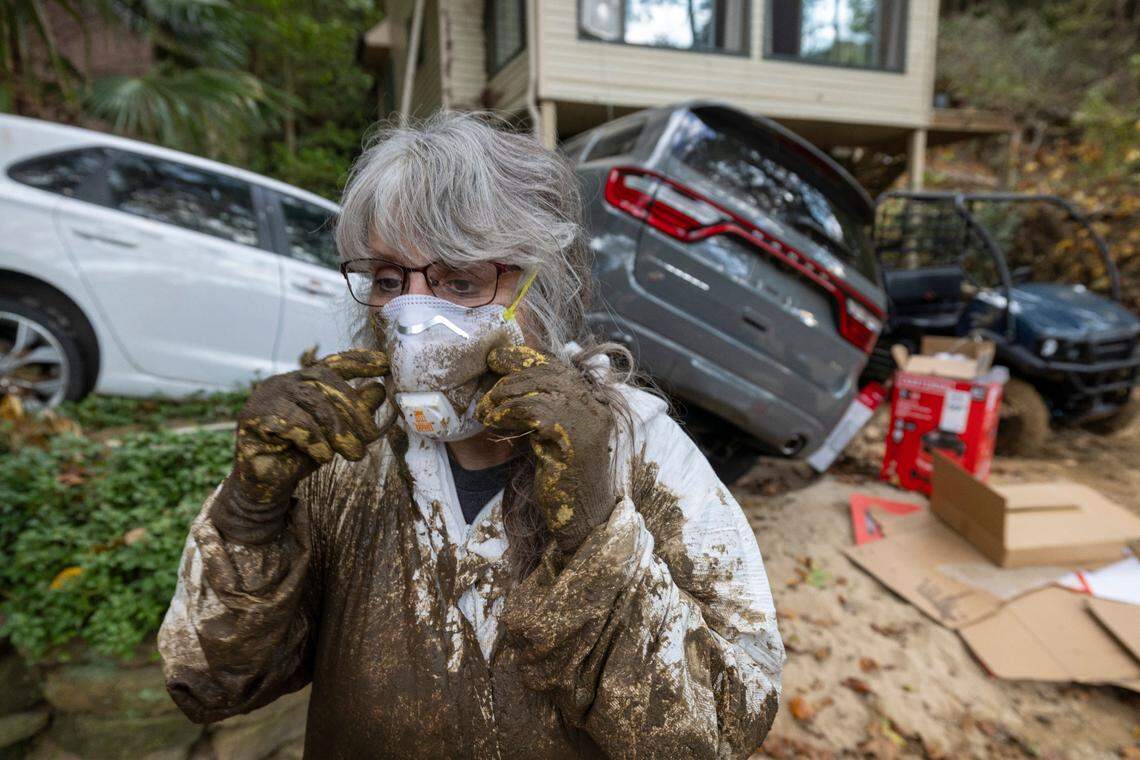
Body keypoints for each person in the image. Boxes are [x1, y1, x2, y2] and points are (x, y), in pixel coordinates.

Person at [158, 111, 784, 758]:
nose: (413, 316)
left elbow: (722, 733)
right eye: (388, 280)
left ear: (544, 282)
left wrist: (598, 529)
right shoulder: (340, 454)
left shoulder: (642, 452)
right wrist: (249, 515)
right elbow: (205, 683)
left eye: (461, 280)